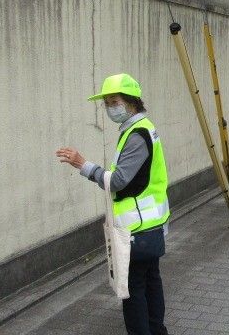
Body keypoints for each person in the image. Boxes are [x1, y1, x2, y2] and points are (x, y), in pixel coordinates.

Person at [57, 73, 170, 335]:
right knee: (151, 281)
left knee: (133, 289)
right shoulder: (142, 128)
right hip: (150, 224)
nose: (110, 108)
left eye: (115, 102)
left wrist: (83, 165)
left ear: (132, 103)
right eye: (106, 103)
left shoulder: (136, 134)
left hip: (137, 229)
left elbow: (118, 180)